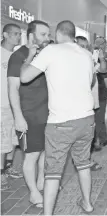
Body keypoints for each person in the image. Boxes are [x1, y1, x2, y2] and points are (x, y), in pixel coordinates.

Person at [20, 20, 96, 215]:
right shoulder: (86, 54)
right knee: (83, 164)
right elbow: (91, 81)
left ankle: (47, 214)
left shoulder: (51, 51)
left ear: (58, 33)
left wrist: (29, 56)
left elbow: (25, 77)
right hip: (87, 120)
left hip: (61, 122)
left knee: (52, 173)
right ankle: (87, 203)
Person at [8, 21, 49, 206]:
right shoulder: (18, 56)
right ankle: (33, 193)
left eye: (48, 34)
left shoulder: (46, 55)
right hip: (28, 116)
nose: (47, 38)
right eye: (43, 34)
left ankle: (41, 182)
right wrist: (18, 117)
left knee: (45, 152)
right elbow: (12, 88)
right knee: (31, 155)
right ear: (31, 36)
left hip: (47, 114)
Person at [75, 36, 104, 171]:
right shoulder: (74, 63)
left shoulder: (88, 60)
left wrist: (99, 59)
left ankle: (85, 159)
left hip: (91, 103)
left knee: (89, 133)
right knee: (83, 134)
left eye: (85, 46)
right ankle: (84, 160)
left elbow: (103, 70)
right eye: (80, 46)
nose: (83, 49)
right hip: (81, 105)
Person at [1, 23, 22, 190]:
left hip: (14, 105)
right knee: (2, 141)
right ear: (5, 35)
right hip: (1, 106)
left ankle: (8, 168)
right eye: (15, 34)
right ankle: (1, 174)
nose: (18, 36)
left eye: (19, 34)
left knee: (13, 140)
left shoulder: (16, 56)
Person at [93, 37, 107, 151]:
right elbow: (106, 79)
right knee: (98, 118)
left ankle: (104, 138)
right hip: (99, 93)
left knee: (100, 117)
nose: (104, 46)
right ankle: (97, 141)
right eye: (102, 44)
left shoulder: (92, 58)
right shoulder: (100, 60)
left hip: (97, 93)